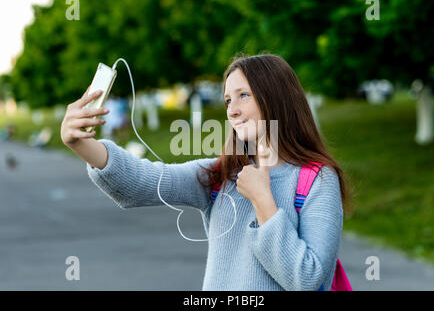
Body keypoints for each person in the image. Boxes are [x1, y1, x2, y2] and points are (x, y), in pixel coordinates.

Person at [60, 54, 352, 291]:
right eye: (228, 100)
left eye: (243, 96)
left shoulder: (317, 180)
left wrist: (263, 200)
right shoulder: (220, 174)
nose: (232, 110)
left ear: (276, 97)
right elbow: (143, 181)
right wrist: (80, 143)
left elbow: (307, 280)